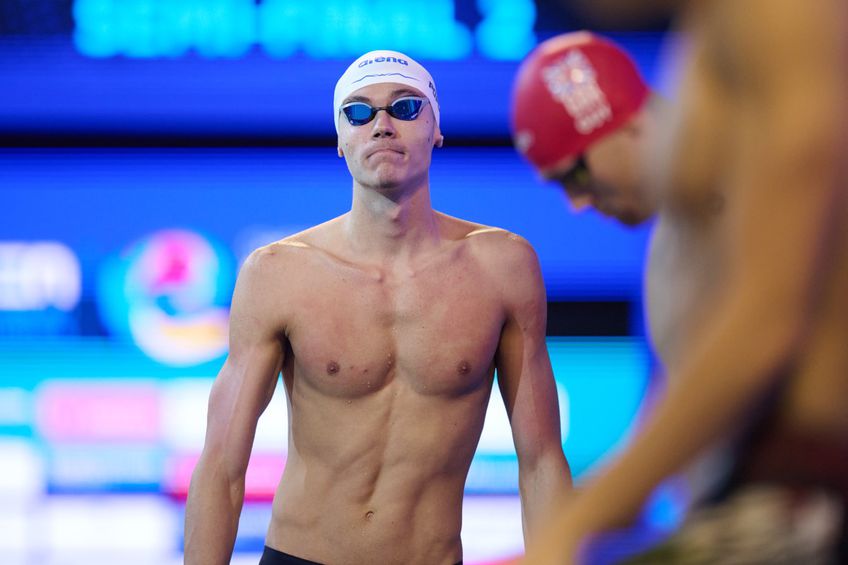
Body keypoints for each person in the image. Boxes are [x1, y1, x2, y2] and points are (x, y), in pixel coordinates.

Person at [183, 49, 572, 565]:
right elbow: (221, 467)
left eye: (405, 108)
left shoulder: (503, 268)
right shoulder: (278, 273)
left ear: (437, 128)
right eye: (359, 112)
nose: (382, 125)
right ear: (341, 141)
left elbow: (541, 462)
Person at [514, 1, 848, 562]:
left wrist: (584, 517)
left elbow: (770, 317)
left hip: (807, 474)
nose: (575, 201)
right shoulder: (706, 42)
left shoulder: (773, 17)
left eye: (575, 171)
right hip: (761, 480)